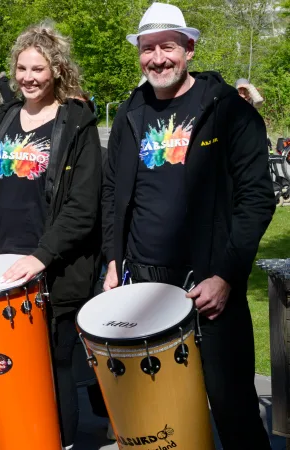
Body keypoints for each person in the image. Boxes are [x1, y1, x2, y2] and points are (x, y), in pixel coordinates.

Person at [102, 3, 274, 447]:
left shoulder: (228, 111)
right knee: (158, 416)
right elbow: (112, 193)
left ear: (189, 49)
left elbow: (256, 199)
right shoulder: (129, 112)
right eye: (147, 49)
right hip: (142, 286)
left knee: (232, 408)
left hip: (209, 285)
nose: (157, 58)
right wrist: (113, 261)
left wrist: (227, 276)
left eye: (167, 47)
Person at [0, 23, 102, 450]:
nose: (28, 77)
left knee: (55, 370)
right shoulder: (0, 118)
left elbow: (83, 207)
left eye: (38, 68)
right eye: (22, 68)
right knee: (12, 370)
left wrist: (42, 255)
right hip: (3, 269)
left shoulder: (77, 125)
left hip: (58, 270)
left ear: (57, 71)